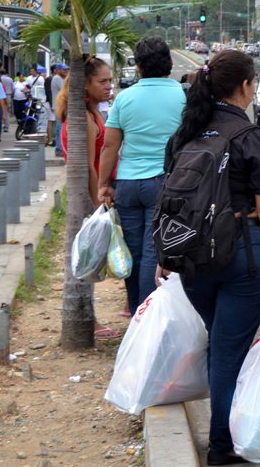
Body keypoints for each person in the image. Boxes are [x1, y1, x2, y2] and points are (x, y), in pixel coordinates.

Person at [163, 49, 260, 466]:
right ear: (245, 86)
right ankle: (223, 445)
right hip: (243, 257)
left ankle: (229, 431)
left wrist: (163, 257)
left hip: (190, 257)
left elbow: (170, 201)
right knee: (228, 350)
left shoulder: (183, 135)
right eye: (254, 82)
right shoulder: (251, 137)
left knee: (220, 341)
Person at [98, 37, 186, 317]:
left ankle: (136, 309)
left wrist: (104, 184)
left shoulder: (125, 98)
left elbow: (111, 145)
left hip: (127, 185)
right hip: (164, 182)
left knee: (132, 250)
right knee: (153, 250)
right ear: (169, 64)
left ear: (137, 67)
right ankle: (147, 316)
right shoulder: (183, 96)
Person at [57, 55, 121, 340]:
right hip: (89, 197)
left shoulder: (92, 113)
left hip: (95, 196)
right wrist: (99, 202)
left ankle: (91, 317)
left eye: (110, 80)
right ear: (85, 85)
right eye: (102, 81)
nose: (109, 86)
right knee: (86, 261)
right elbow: (89, 166)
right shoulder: (83, 118)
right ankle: (88, 320)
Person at [51, 63, 68, 155]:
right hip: (59, 107)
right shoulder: (57, 78)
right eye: (63, 69)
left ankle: (59, 148)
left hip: (60, 106)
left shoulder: (60, 78)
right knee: (60, 128)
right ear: (57, 70)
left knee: (60, 128)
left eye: (66, 70)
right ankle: (59, 148)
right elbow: (66, 90)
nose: (65, 71)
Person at [0, 68, 13, 133]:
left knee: (0, 110)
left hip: (1, 95)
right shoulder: (10, 79)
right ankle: (6, 126)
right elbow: (13, 88)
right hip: (8, 95)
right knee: (7, 111)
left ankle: (1, 125)